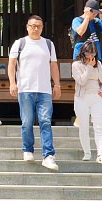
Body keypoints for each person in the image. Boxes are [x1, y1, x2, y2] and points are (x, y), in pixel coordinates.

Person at [7, 15, 61, 169]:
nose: (35, 28)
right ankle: (28, 149)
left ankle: (48, 155)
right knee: (27, 122)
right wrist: (12, 83)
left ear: (42, 27)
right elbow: (11, 65)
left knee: (45, 121)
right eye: (33, 26)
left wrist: (57, 85)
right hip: (25, 89)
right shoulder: (20, 43)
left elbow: (54, 66)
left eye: (38, 26)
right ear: (27, 27)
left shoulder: (49, 44)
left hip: (44, 90)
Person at [72, 39, 102, 165]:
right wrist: (88, 67)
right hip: (81, 98)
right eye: (88, 52)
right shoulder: (76, 65)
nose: (91, 56)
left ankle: (101, 154)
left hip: (96, 98)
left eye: (93, 53)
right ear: (83, 52)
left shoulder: (98, 64)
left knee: (99, 127)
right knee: (83, 127)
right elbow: (81, 81)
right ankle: (87, 152)